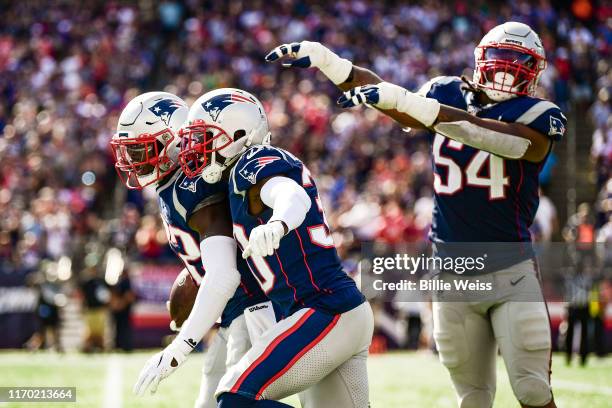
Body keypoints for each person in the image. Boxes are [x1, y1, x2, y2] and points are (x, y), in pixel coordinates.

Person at [268, 21, 565, 408]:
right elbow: (393, 101)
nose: (507, 69)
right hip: (452, 271)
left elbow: (509, 142)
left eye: (518, 61)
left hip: (510, 269)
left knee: (532, 390)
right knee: (472, 398)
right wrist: (332, 64)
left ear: (535, 69)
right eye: (499, 57)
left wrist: (421, 108)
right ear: (481, 59)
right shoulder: (446, 92)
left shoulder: (539, 113)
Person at [177, 88, 373, 408]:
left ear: (239, 135)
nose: (196, 148)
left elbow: (289, 194)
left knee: (234, 396)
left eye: (205, 137)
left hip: (324, 310)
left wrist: (278, 223)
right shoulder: (232, 183)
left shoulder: (250, 162)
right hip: (339, 312)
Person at [110, 92, 277, 408]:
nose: (133, 162)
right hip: (234, 311)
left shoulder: (196, 183)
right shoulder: (172, 185)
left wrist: (179, 347)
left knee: (234, 403)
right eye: (130, 153)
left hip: (254, 306)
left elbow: (224, 271)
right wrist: (195, 275)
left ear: (172, 142)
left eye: (141, 150)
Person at [109, 268, 135, 351]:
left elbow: (129, 296)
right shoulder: (125, 282)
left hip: (123, 310)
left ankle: (123, 345)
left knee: (122, 329)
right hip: (122, 311)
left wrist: (120, 305)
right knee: (121, 329)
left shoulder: (125, 282)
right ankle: (121, 345)